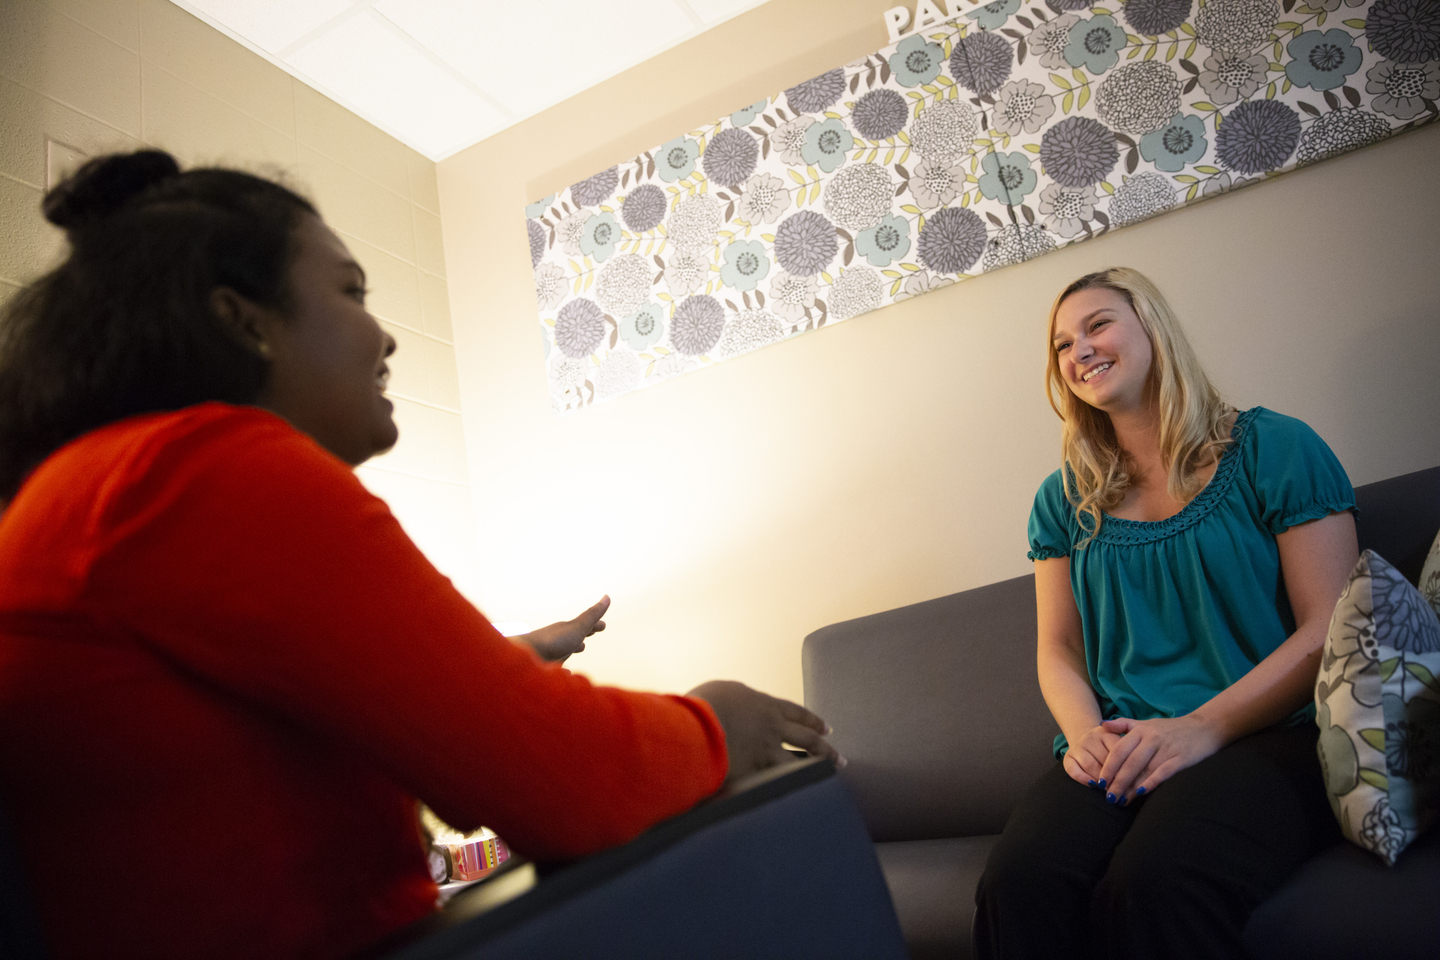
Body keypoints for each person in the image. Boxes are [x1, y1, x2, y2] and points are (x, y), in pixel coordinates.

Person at [0, 151, 836, 960]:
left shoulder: (99, 484)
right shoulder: (203, 467)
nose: (384, 336)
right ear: (241, 319)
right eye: (350, 290)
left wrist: (490, 667)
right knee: (807, 806)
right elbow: (573, 783)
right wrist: (722, 719)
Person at [973, 268, 1358, 959]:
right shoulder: (1061, 501)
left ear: (1154, 328)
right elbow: (1058, 650)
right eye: (1062, 344)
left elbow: (1328, 627)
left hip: (1264, 736)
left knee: (1156, 881)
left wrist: (1200, 730)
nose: (1079, 350)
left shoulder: (1275, 449)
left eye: (1098, 325)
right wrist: (1085, 737)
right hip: (1119, 742)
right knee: (1017, 883)